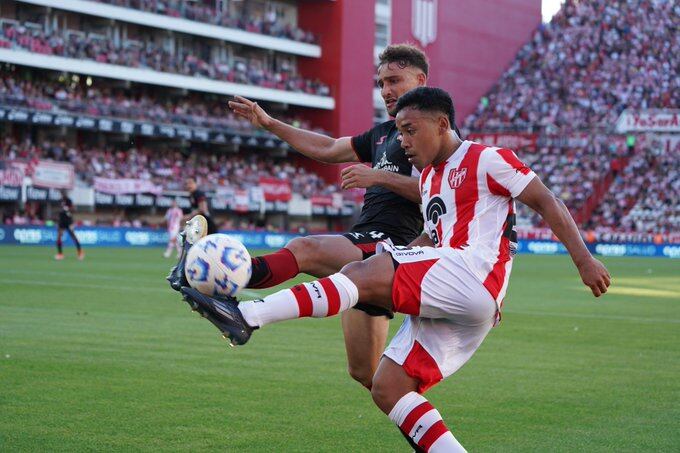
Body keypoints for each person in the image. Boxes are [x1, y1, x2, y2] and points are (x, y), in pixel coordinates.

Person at [180, 87, 611, 452]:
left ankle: (247, 316)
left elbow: (546, 201)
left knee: (360, 271)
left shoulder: (489, 158)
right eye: (400, 130)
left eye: (410, 130)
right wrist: (402, 259)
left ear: (442, 125)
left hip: (475, 272)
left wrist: (584, 260)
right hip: (461, 292)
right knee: (388, 387)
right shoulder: (427, 180)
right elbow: (430, 238)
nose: (402, 140)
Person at [226, 44, 441, 389]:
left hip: (395, 247)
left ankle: (228, 278)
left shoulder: (435, 133)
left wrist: (380, 176)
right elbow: (327, 148)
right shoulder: (383, 134)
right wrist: (269, 123)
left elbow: (445, 195)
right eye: (381, 82)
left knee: (306, 248)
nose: (385, 90)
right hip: (366, 244)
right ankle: (428, 431)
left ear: (420, 80)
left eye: (394, 80)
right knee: (367, 375)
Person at [55, 189, 83, 260]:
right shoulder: (60, 201)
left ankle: (80, 253)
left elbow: (74, 209)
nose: (63, 194)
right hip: (62, 221)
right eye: (62, 193)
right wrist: (58, 220)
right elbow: (59, 211)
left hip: (68, 221)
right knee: (59, 237)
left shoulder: (69, 201)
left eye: (64, 193)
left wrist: (68, 209)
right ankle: (60, 254)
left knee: (73, 236)